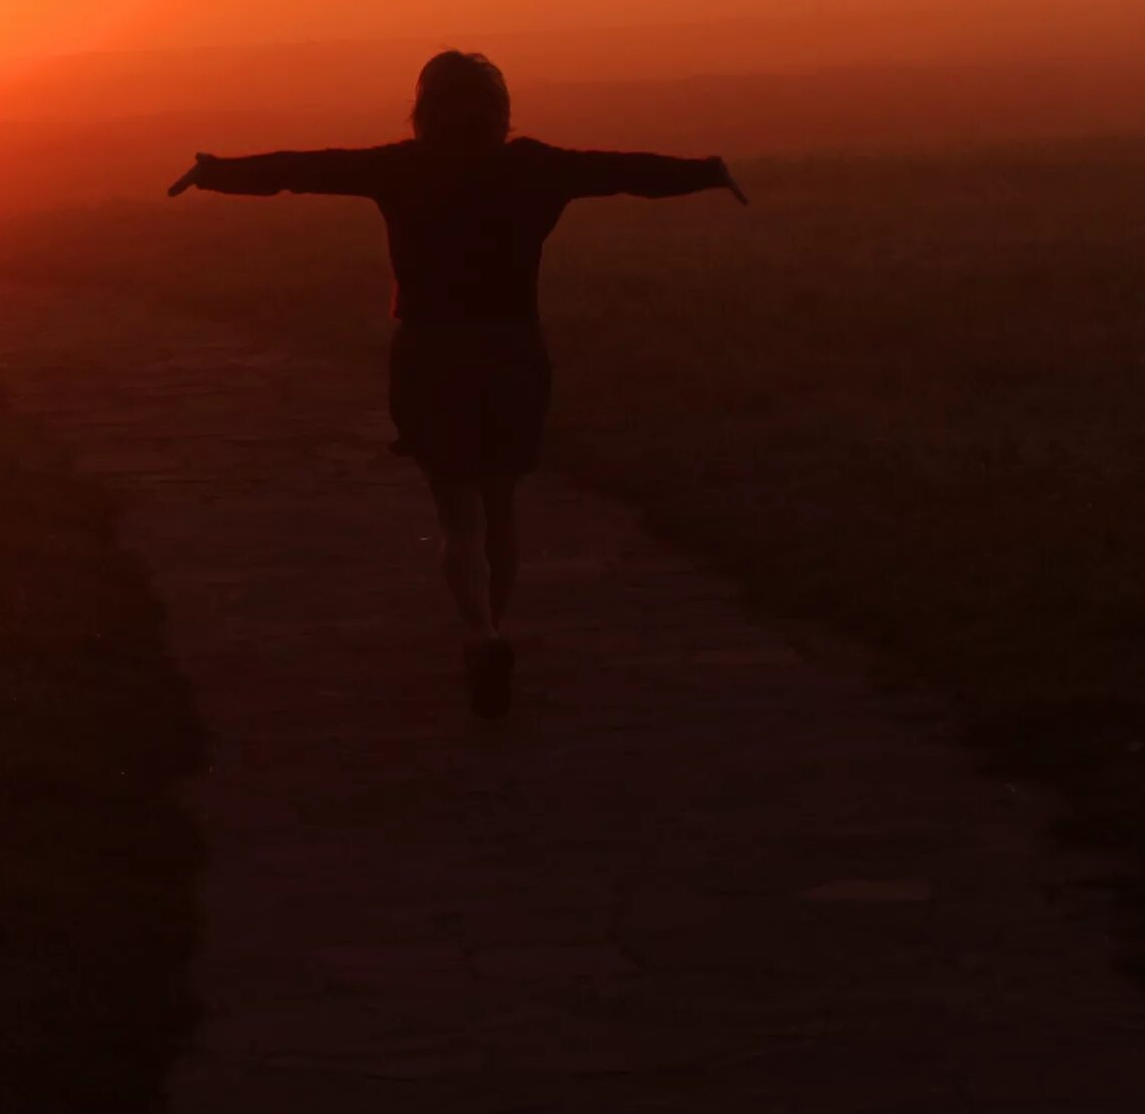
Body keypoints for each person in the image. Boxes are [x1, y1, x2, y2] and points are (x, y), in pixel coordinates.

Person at [166, 50, 745, 719]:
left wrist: (217, 173)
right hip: (512, 351)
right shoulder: (534, 167)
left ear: (423, 111)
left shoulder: (404, 167)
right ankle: (494, 632)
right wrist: (709, 172)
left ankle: (480, 634)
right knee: (500, 506)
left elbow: (303, 169)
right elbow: (624, 172)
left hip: (431, 354)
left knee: (456, 515)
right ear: (499, 113)